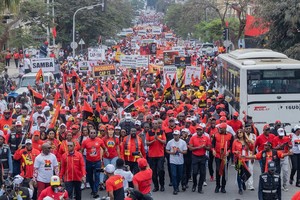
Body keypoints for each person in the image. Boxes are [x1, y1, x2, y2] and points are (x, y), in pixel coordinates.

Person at [81, 128, 108, 198]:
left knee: (97, 176)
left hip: (97, 162)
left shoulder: (99, 140)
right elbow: (81, 150)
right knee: (89, 177)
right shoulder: (85, 141)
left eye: (94, 133)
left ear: (96, 133)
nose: (92, 134)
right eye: (91, 133)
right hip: (89, 161)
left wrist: (106, 152)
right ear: (89, 134)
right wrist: (80, 158)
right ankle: (93, 189)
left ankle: (95, 190)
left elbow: (104, 148)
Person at [211, 123, 233, 193]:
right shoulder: (216, 135)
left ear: (225, 129)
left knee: (224, 171)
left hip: (225, 156)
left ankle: (223, 187)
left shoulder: (230, 135)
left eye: (221, 128)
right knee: (218, 170)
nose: (219, 129)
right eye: (219, 128)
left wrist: (229, 151)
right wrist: (213, 150)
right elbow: (212, 145)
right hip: (217, 155)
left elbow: (232, 146)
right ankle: (217, 185)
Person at [189, 125, 211, 194]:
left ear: (202, 130)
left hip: (202, 157)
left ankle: (200, 188)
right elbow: (190, 148)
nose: (199, 131)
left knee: (202, 173)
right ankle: (194, 184)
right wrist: (198, 147)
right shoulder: (193, 137)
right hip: (195, 156)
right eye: (197, 130)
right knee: (194, 172)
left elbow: (209, 148)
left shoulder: (206, 138)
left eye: (200, 130)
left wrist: (205, 147)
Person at [146, 119, 166, 192]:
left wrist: (158, 139)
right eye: (153, 123)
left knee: (161, 171)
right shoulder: (149, 132)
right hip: (152, 155)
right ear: (152, 124)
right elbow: (147, 143)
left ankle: (162, 185)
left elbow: (164, 141)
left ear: (158, 125)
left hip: (160, 155)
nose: (154, 125)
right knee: (153, 172)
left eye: (156, 123)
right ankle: (156, 186)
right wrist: (153, 141)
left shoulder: (161, 132)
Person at [232, 129, 254, 195]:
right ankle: (240, 188)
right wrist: (236, 152)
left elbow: (252, 147)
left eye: (241, 132)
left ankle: (243, 182)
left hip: (246, 159)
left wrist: (248, 139)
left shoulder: (246, 141)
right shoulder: (235, 141)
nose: (239, 134)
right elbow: (233, 150)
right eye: (238, 133)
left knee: (245, 173)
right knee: (239, 174)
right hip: (238, 160)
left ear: (243, 133)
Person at [166, 130, 187, 195]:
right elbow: (167, 150)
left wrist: (180, 151)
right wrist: (171, 153)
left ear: (179, 135)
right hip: (173, 161)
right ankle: (175, 189)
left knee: (179, 175)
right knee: (174, 175)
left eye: (176, 135)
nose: (175, 136)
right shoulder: (170, 142)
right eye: (174, 135)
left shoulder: (183, 142)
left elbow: (185, 151)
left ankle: (177, 185)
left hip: (180, 161)